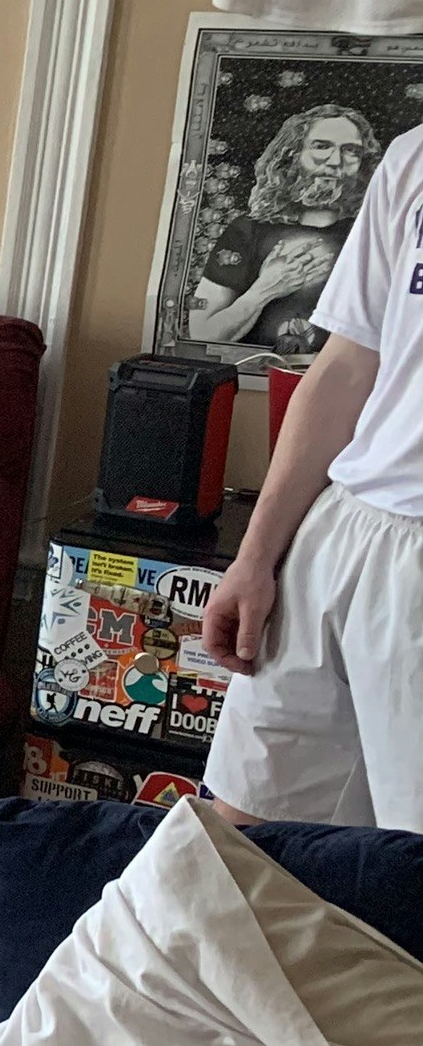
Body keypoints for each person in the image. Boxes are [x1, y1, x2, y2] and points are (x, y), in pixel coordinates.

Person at [202, 118, 423, 830]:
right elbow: (346, 365)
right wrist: (256, 558)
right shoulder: (413, 155)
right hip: (344, 534)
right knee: (240, 837)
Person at [184, 102, 377, 352]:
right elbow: (203, 334)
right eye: (321, 146)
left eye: (351, 151)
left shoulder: (374, 234)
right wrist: (266, 289)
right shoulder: (247, 231)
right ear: (292, 155)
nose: (335, 161)